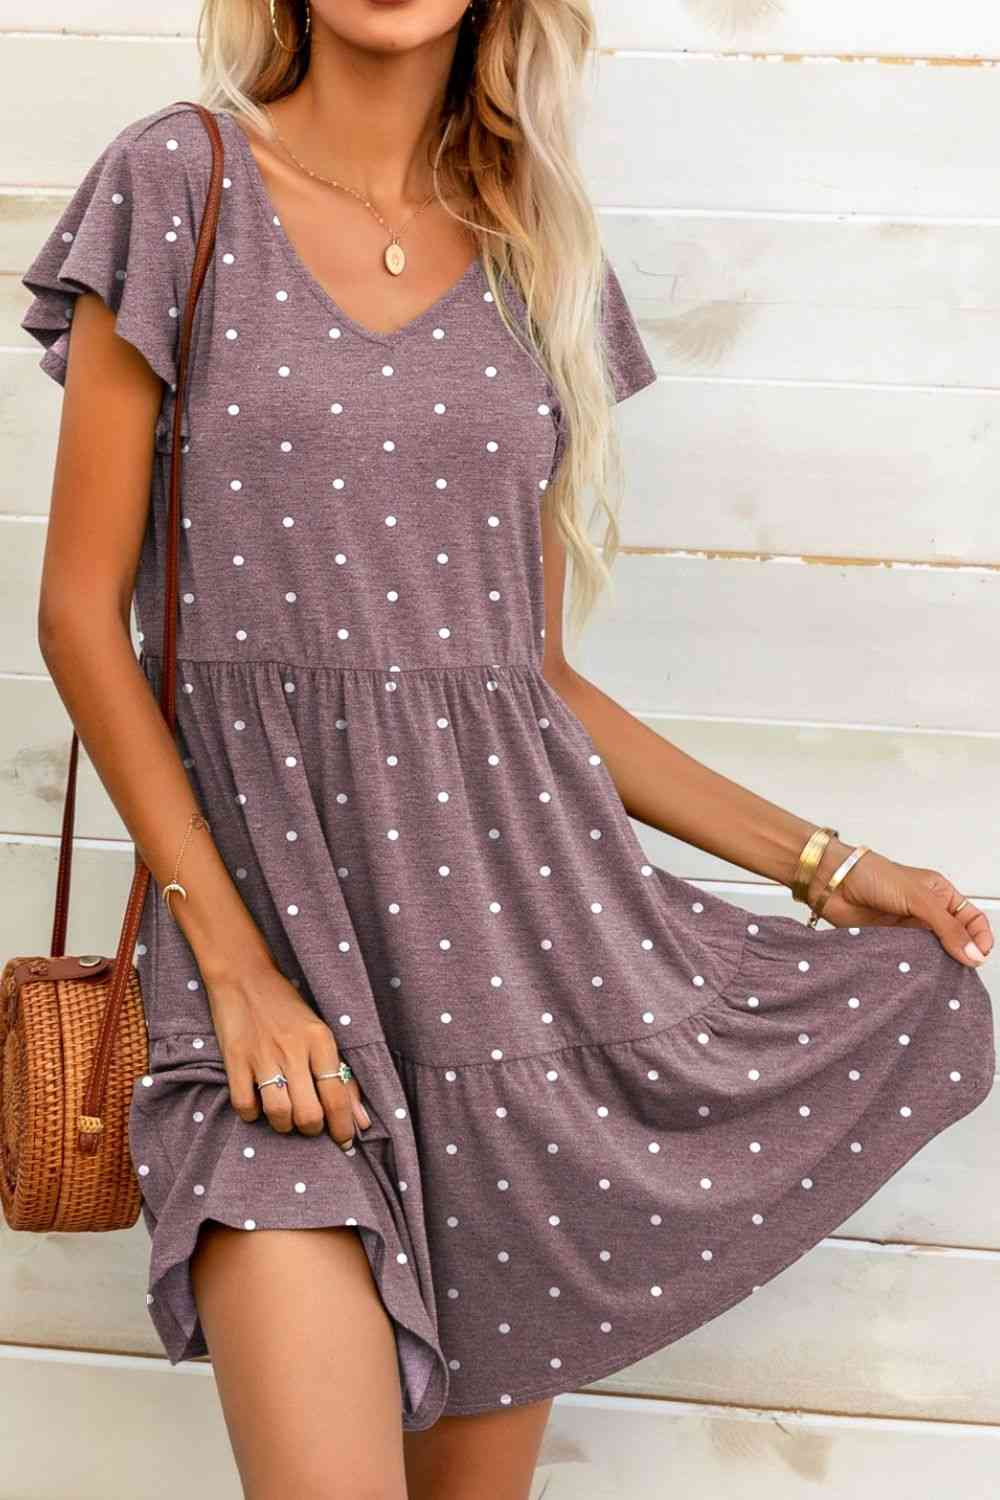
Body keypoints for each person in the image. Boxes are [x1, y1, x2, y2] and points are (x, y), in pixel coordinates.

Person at [19, 2, 995, 1497]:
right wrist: (237, 970)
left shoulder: (536, 246)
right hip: (259, 1000)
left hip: (508, 989)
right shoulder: (177, 182)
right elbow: (81, 620)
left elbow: (530, 682)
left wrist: (826, 861)